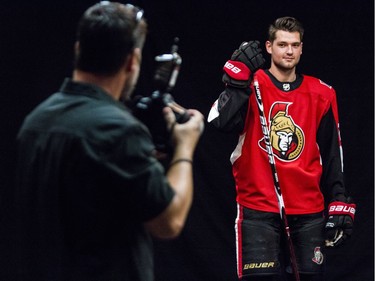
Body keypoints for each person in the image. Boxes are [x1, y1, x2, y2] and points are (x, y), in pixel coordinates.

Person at [12, 2, 204, 281]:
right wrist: (185, 146)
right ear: (132, 61)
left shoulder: (36, 122)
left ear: (78, 50)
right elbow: (169, 222)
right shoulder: (117, 131)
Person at [208, 16, 356, 281]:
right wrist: (237, 83)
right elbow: (219, 121)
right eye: (282, 44)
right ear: (269, 47)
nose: (289, 51)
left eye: (294, 45)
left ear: (301, 48)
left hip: (308, 208)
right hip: (258, 206)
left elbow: (333, 153)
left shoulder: (322, 93)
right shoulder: (252, 85)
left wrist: (338, 198)